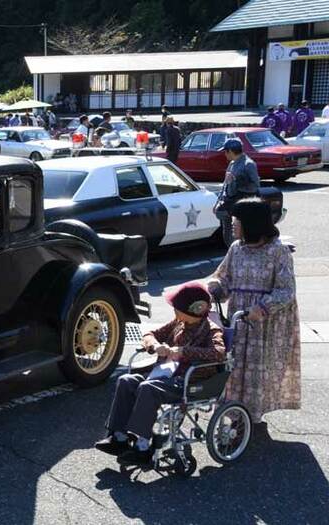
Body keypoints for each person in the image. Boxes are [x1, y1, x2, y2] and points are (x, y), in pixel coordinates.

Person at [96, 281, 225, 465]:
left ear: (193, 310)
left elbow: (219, 353)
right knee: (126, 380)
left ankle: (142, 446)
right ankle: (119, 437)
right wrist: (155, 346)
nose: (174, 311)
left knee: (148, 388)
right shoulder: (179, 323)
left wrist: (182, 351)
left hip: (188, 381)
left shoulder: (211, 330)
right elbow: (150, 334)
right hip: (164, 373)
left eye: (177, 308)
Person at [207, 197, 301, 425]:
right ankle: (232, 408)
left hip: (265, 321)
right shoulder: (236, 248)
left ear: (251, 223)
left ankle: (251, 414)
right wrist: (213, 290)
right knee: (233, 363)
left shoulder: (278, 252)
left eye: (237, 220)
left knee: (257, 369)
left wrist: (260, 308)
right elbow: (224, 279)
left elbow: (286, 291)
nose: (233, 224)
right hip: (238, 317)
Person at [215, 139, 260, 246]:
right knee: (227, 235)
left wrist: (236, 180)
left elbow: (255, 186)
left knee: (240, 235)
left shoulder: (248, 164)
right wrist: (218, 200)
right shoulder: (232, 163)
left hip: (242, 205)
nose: (225, 154)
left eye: (225, 151)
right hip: (229, 204)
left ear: (230, 151)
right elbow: (226, 184)